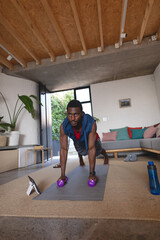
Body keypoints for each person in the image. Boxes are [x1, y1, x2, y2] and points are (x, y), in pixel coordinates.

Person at [55, 100, 109, 183]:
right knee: (81, 151)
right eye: (70, 115)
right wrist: (62, 175)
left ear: (82, 114)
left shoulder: (91, 123)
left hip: (92, 140)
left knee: (98, 152)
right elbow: (63, 149)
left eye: (76, 114)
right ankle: (80, 158)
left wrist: (92, 173)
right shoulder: (64, 126)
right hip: (78, 140)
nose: (72, 118)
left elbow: (91, 148)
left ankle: (105, 155)